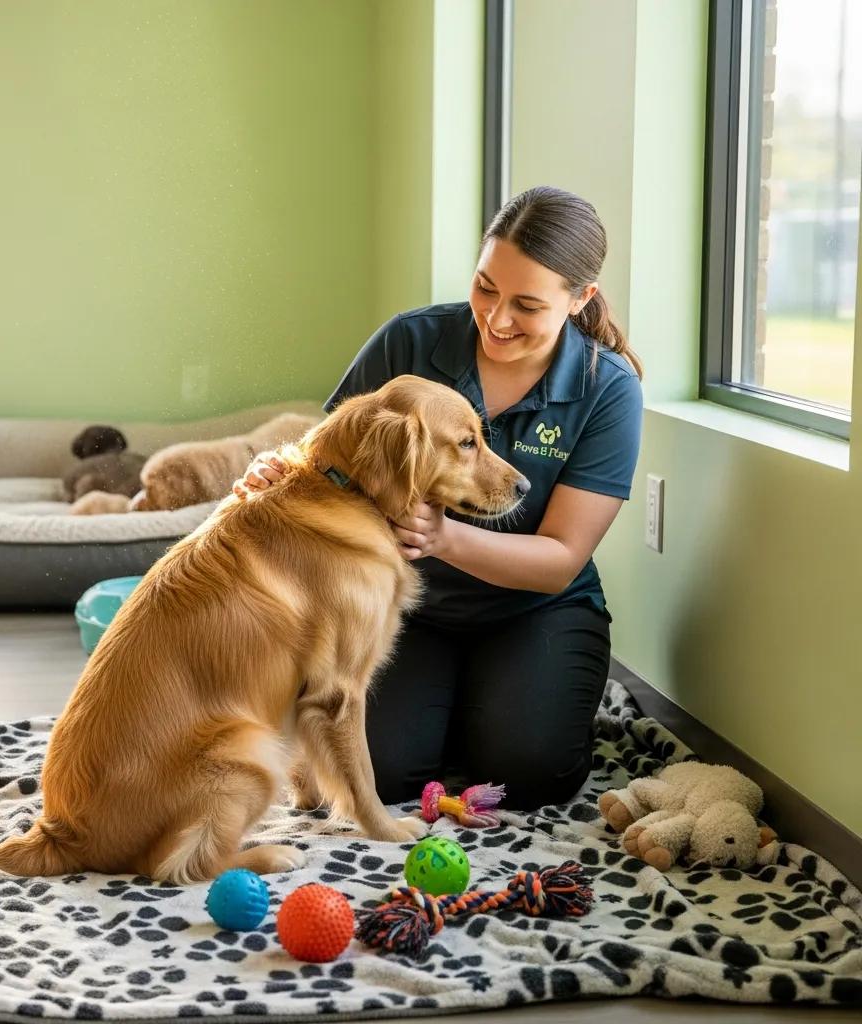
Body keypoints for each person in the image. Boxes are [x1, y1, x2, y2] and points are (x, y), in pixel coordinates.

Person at [234, 185, 643, 810]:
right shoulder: (411, 342)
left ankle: (477, 710)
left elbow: (561, 558)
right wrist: (275, 473)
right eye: (485, 287)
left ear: (580, 298)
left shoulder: (607, 389)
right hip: (404, 611)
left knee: (532, 776)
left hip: (532, 612)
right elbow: (328, 456)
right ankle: (444, 712)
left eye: (527, 305)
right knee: (365, 776)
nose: (497, 319)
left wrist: (444, 538)